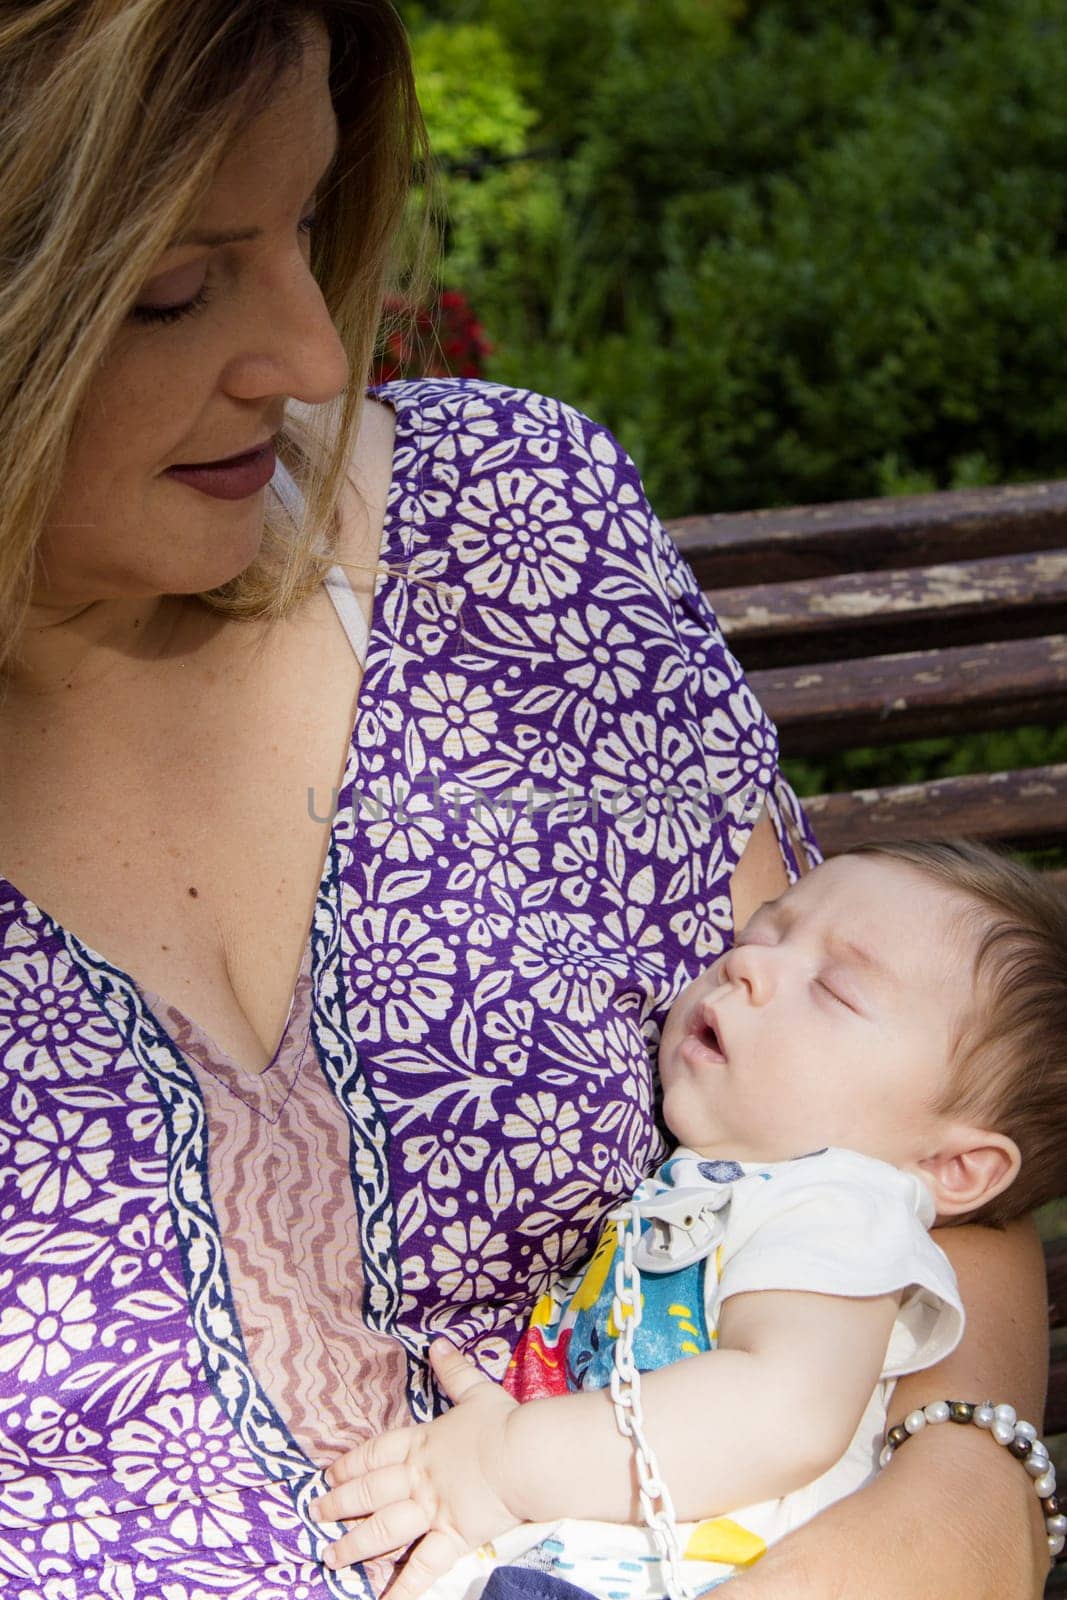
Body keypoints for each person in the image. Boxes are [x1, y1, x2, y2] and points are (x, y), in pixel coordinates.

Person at [0, 5, 1049, 1600]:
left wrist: (961, 1507)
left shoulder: (509, 540)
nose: (307, 357)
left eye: (302, 223)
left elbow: (917, 1168)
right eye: (172, 286)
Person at [308, 838, 1067, 1600]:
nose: (746, 967)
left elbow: (783, 1411)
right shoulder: (731, 1182)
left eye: (834, 990)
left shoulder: (841, 1208)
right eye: (757, 936)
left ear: (950, 1168)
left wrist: (504, 1462)